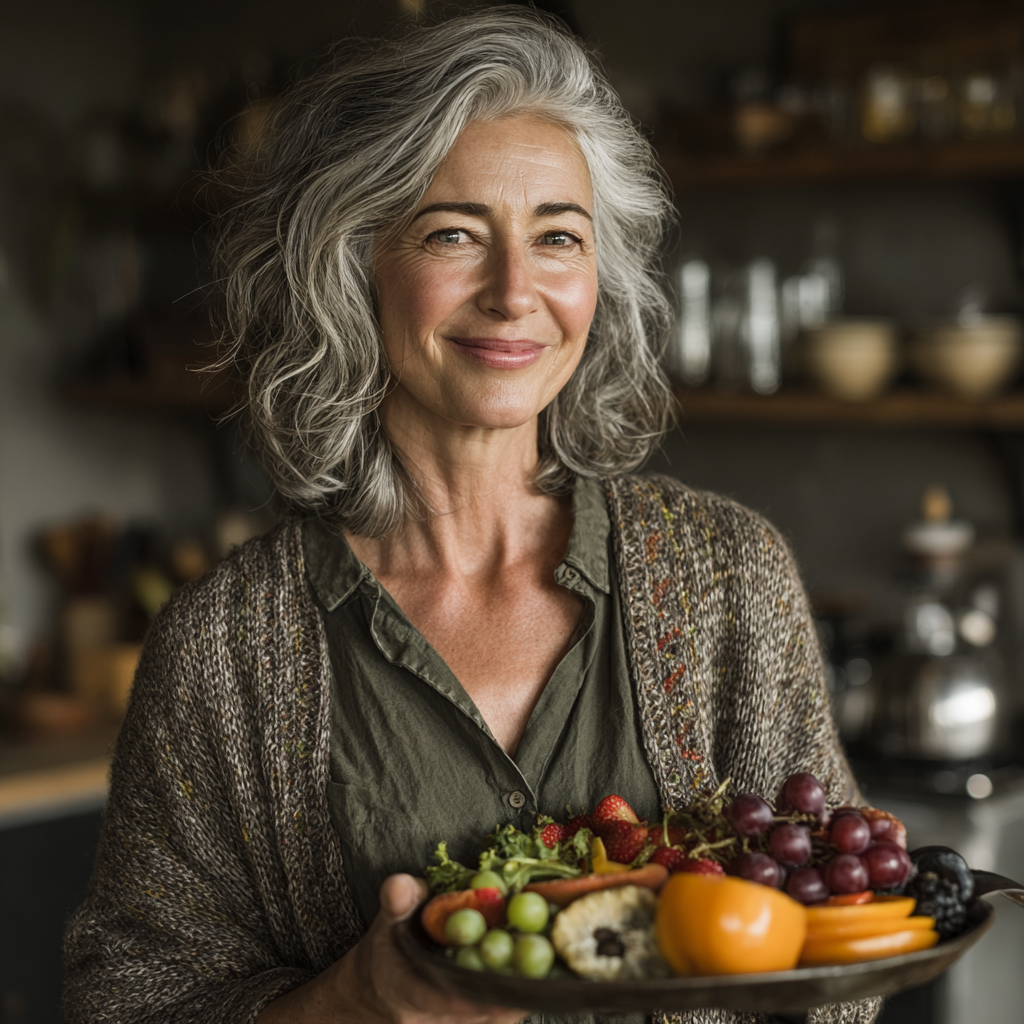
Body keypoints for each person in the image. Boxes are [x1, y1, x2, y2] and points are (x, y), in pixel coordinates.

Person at [64, 9, 880, 1024]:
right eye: (453, 233)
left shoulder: (728, 575)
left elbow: (838, 947)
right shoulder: (222, 649)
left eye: (557, 237)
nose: (513, 291)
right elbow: (127, 1001)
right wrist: (349, 1002)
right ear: (351, 263)